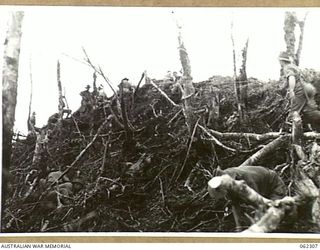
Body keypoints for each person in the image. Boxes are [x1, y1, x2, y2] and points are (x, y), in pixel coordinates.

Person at [279, 51, 320, 131]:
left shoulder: (287, 67)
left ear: (282, 61)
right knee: (309, 111)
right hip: (308, 88)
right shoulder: (293, 66)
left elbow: (291, 78)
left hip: (300, 90)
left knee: (294, 112)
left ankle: (288, 132)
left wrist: (291, 90)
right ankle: (310, 129)